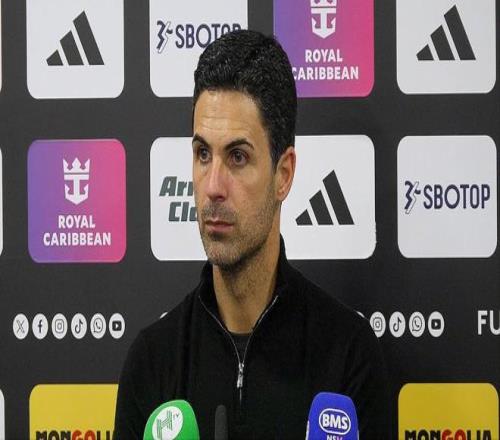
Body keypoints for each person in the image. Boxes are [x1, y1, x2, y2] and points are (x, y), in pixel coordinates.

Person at [114, 29, 391, 439]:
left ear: (284, 174)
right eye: (202, 154)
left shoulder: (349, 356)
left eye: (238, 157)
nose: (213, 186)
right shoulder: (153, 362)